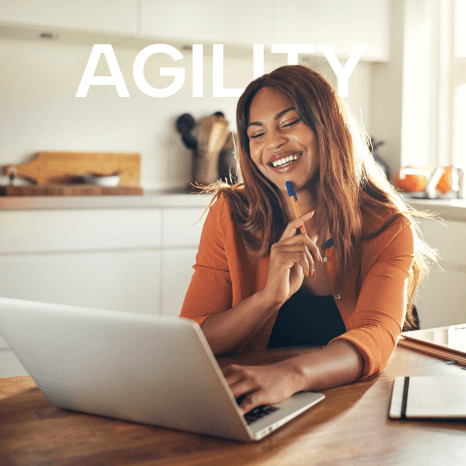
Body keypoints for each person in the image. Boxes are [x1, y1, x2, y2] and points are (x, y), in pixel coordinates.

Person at [179, 65, 438, 415]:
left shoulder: (386, 226)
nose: (272, 143)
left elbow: (375, 335)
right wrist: (269, 297)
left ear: (327, 128)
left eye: (289, 124)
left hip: (351, 406)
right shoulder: (230, 213)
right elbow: (194, 341)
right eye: (256, 134)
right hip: (258, 401)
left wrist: (289, 376)